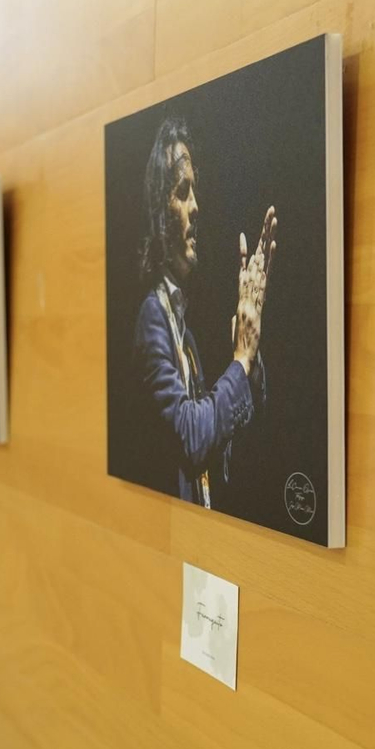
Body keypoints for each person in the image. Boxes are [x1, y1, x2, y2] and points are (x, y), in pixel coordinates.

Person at [131, 117, 276, 508]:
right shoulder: (151, 316)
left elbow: (216, 452)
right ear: (159, 212)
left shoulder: (185, 337)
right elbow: (193, 438)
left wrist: (250, 363)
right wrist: (240, 360)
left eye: (194, 192)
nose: (196, 207)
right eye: (183, 192)